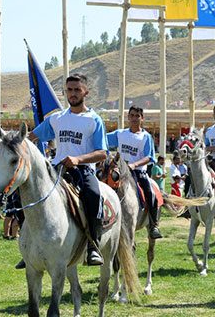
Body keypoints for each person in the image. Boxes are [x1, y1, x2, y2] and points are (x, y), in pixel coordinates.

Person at [29, 73, 108, 265]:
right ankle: (30, 244)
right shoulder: (56, 119)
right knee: (30, 194)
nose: (72, 94)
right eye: (70, 90)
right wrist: (4, 136)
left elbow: (102, 153)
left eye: (77, 90)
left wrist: (78, 158)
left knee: (94, 195)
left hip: (83, 171)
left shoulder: (94, 120)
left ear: (86, 92)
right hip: (56, 170)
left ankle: (93, 247)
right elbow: (31, 137)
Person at [106, 106, 163, 239]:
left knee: (151, 193)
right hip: (119, 172)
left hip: (138, 172)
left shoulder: (146, 137)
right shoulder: (120, 134)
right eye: (131, 115)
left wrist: (134, 164)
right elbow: (103, 140)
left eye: (137, 116)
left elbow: (150, 157)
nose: (134, 118)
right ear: (128, 117)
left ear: (141, 118)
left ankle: (154, 225)